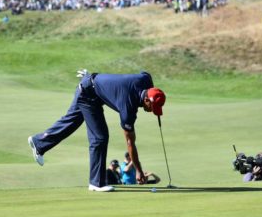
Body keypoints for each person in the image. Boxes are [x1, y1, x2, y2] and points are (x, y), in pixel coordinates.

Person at [28, 70, 166, 192]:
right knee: (99, 137)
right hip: (89, 95)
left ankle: (39, 142)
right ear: (147, 100)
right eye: (153, 107)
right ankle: (96, 183)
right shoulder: (127, 107)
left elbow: (146, 73)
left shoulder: (146, 80)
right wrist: (139, 170)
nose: (152, 111)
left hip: (90, 85)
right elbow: (130, 142)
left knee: (71, 122)